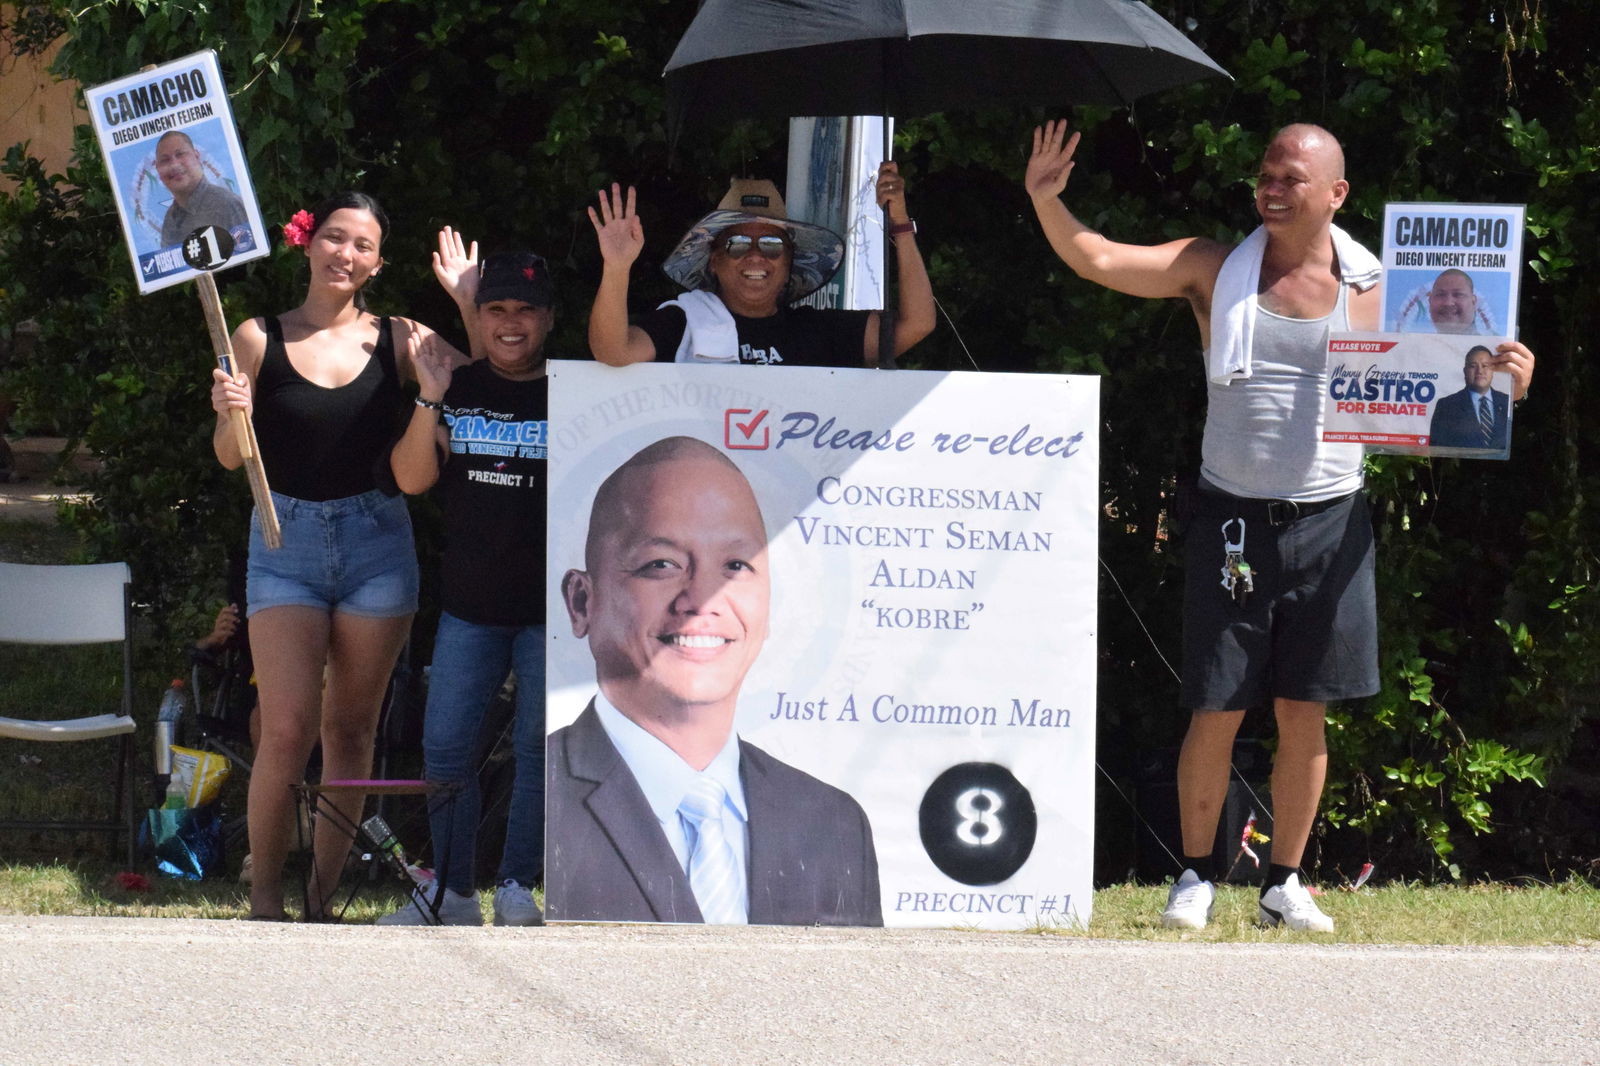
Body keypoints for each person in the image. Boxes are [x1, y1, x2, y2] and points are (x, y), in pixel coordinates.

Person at [1024, 119, 1536, 932]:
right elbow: (1101, 259)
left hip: (1332, 520)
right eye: (1266, 172)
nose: (1271, 186)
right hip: (1231, 518)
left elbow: (1450, 405)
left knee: (1306, 710)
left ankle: (1284, 881)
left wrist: (1508, 388)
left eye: (1291, 177)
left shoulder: (1382, 288)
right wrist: (1048, 202)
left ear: (1334, 194)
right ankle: (1195, 875)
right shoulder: (1212, 269)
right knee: (1216, 706)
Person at [209, 191, 461, 922]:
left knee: (350, 730)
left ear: (379, 263)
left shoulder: (404, 338)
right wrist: (233, 410)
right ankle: (264, 898)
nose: (344, 254)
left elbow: (491, 379)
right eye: (334, 238)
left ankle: (322, 900)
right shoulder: (256, 337)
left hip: (377, 543)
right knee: (286, 725)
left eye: (362, 245)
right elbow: (230, 458)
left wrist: (467, 300)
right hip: (282, 541)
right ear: (307, 242)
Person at [548, 436, 882, 926]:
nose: (703, 600)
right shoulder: (545, 800)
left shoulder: (832, 824)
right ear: (582, 602)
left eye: (735, 566)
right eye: (661, 564)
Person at [379, 233, 554, 927]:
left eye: (526, 310)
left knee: (540, 749)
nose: (511, 322)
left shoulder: (578, 388)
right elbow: (412, 478)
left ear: (548, 319)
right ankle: (452, 894)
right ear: (477, 317)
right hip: (469, 609)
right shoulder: (455, 387)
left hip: (551, 610)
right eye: (496, 308)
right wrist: (428, 398)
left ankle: (516, 886)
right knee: (445, 747)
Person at [587, 164, 933, 367]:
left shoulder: (819, 331)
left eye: (771, 245)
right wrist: (617, 269)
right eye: (738, 245)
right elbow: (613, 353)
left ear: (788, 262)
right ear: (715, 261)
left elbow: (916, 323)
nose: (756, 257)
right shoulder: (684, 322)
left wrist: (900, 223)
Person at [155, 130, 249, 247]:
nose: (174, 164)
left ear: (197, 157)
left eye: (180, 154)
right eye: (165, 160)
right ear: (158, 169)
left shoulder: (228, 204)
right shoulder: (170, 218)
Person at [1429, 345, 1511, 450]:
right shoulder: (1446, 406)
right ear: (1465, 371)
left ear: (1493, 370)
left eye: (1485, 365)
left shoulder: (1506, 401)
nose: (1479, 371)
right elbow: (1436, 449)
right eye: (1473, 366)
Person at [1424, 268, 1483, 335]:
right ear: (1430, 301)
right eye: (1440, 294)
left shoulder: (1488, 344)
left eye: (1458, 295)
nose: (1448, 303)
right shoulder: (1419, 343)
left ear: (1474, 302)